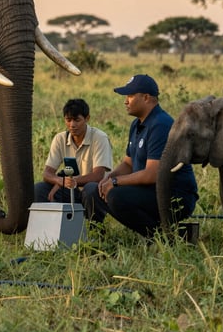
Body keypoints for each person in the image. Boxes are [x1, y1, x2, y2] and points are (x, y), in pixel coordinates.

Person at [82, 74, 197, 239]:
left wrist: (115, 183)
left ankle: (161, 237)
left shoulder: (161, 124)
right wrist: (108, 179)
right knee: (91, 189)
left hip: (173, 196)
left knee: (115, 196)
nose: (125, 101)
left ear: (146, 98)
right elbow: (128, 164)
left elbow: (152, 174)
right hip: (147, 191)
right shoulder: (137, 124)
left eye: (130, 96)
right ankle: (98, 239)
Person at [34, 98, 113, 205]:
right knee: (39, 189)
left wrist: (70, 182)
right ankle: (52, 220)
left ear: (87, 118)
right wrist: (60, 182)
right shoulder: (60, 138)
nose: (72, 125)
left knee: (90, 188)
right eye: (68, 120)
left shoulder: (99, 138)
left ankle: (93, 221)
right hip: (70, 189)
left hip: (95, 191)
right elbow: (47, 174)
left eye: (77, 120)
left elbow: (98, 176)